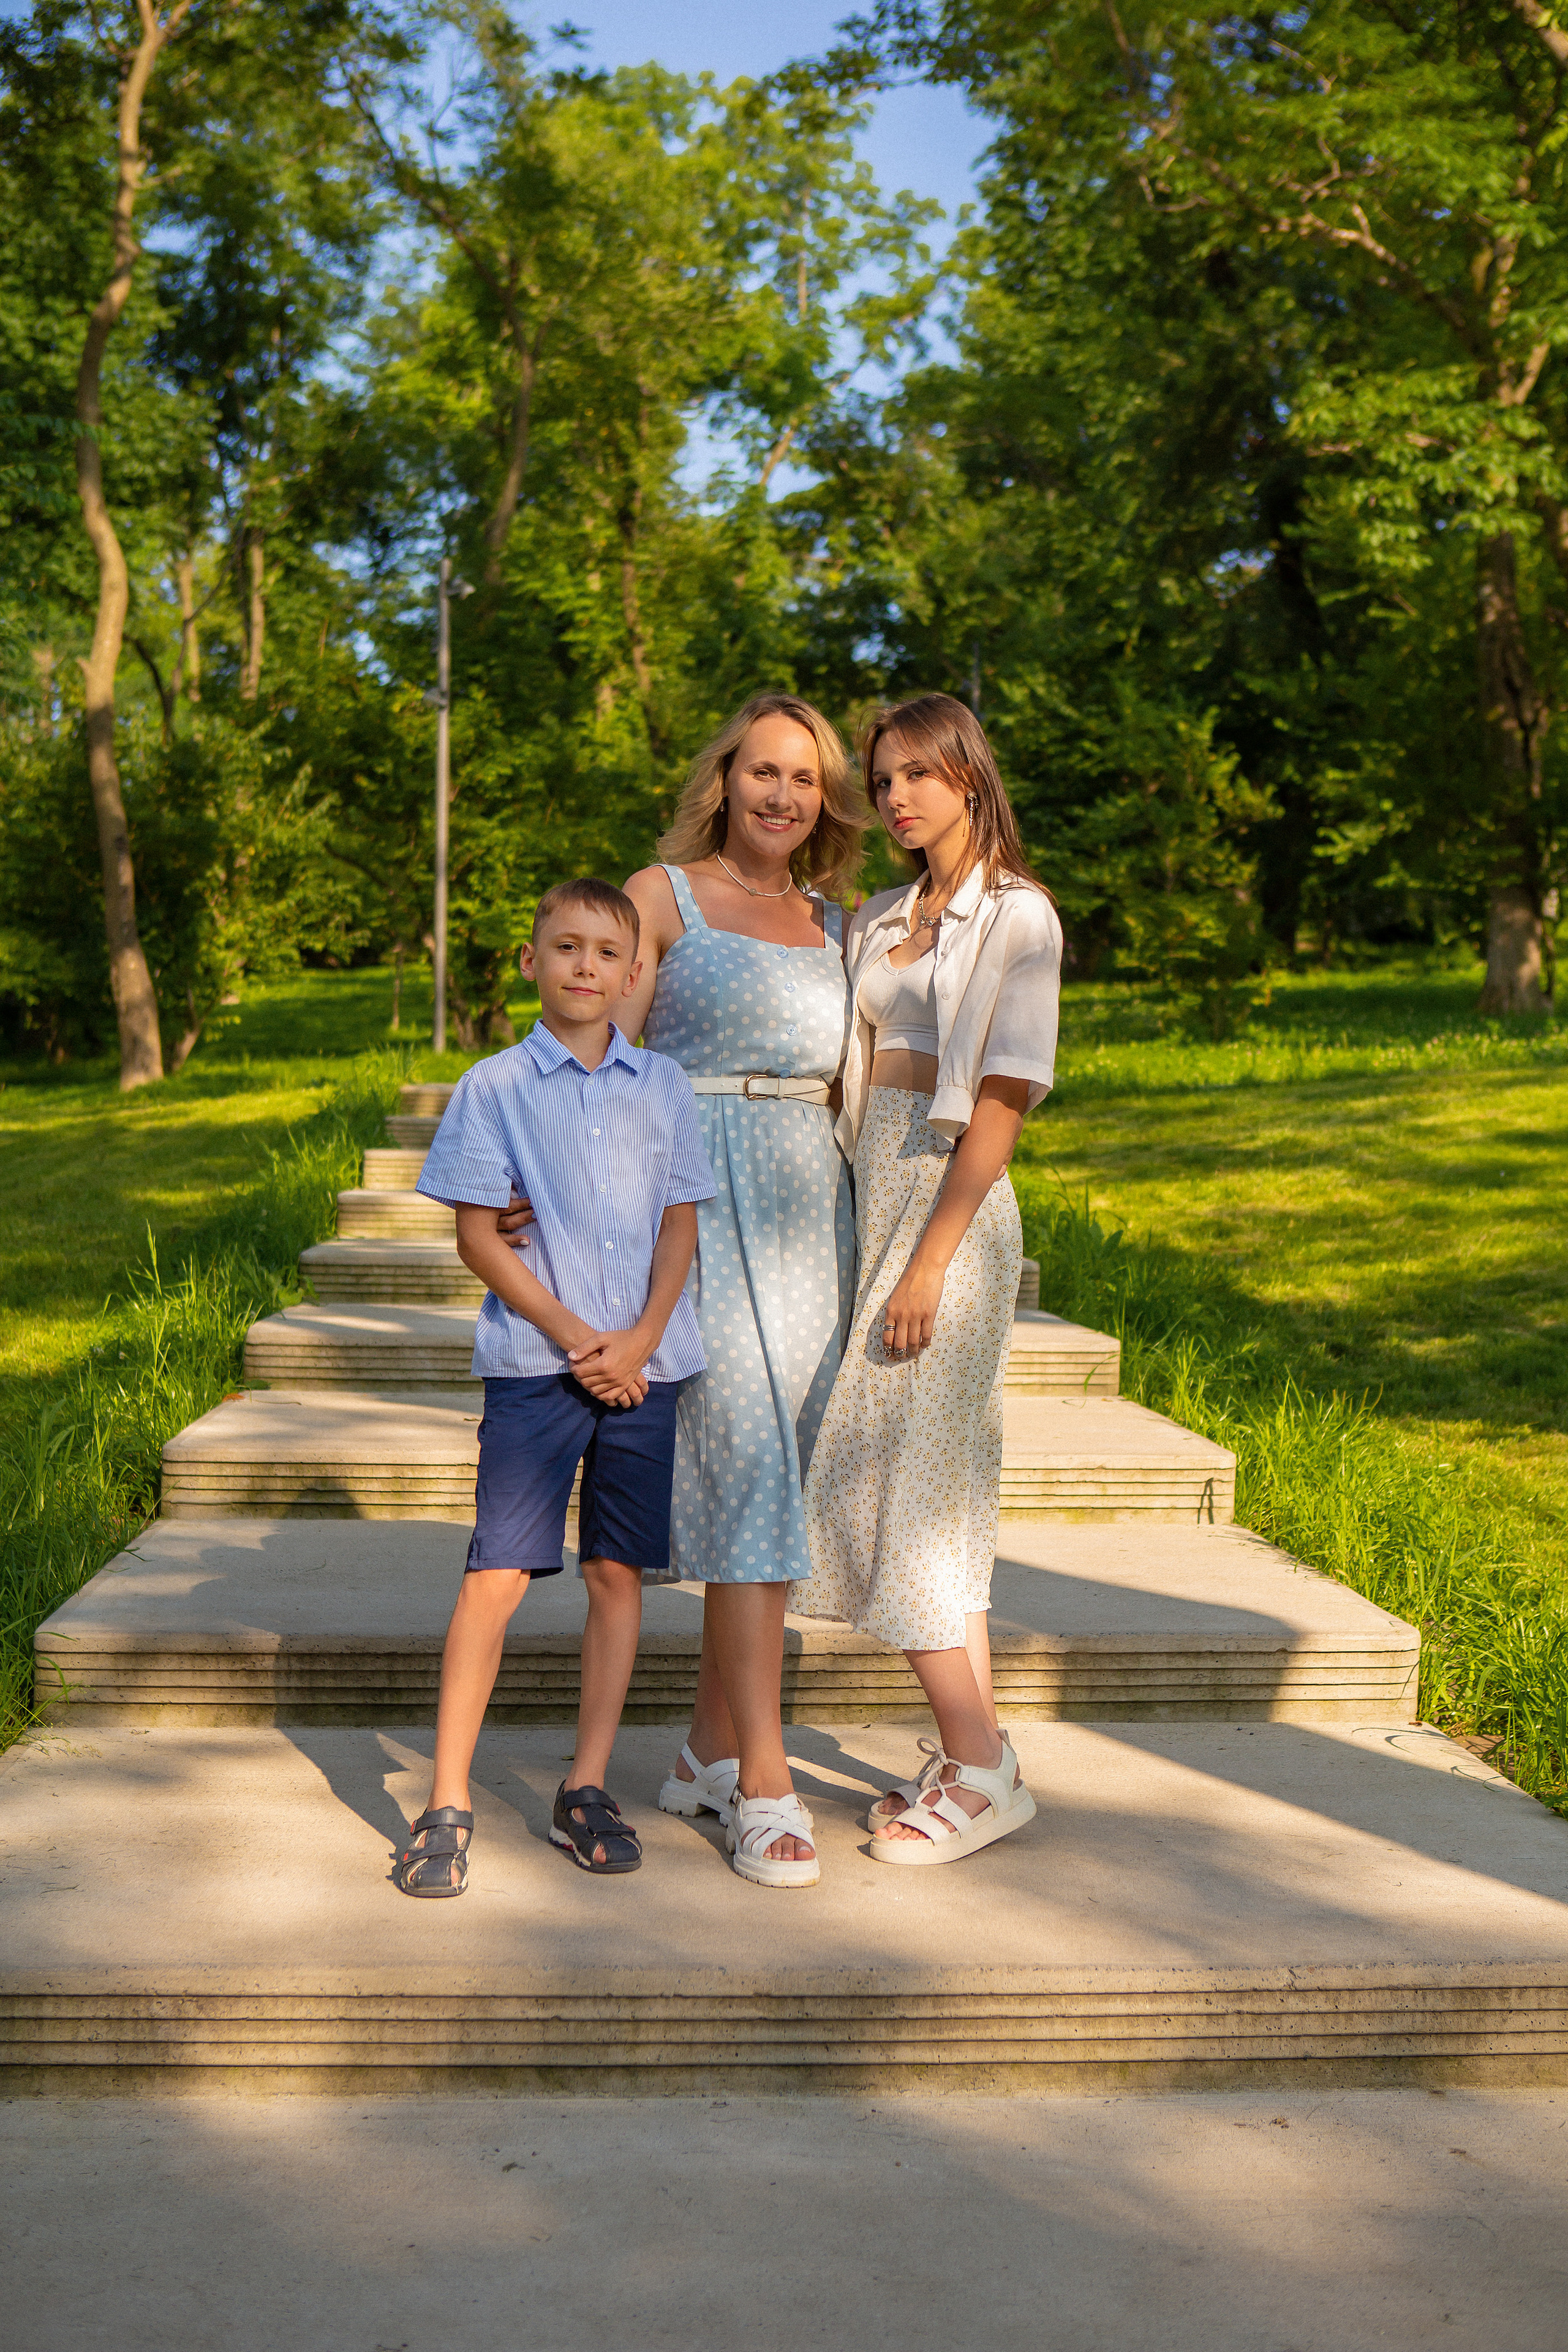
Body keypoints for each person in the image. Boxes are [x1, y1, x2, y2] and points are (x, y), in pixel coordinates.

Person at [391, 876, 716, 1894]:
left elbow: (680, 1225)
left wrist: (641, 1341)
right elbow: (478, 1237)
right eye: (566, 947)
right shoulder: (494, 1087)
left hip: (646, 1370)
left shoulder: (663, 1086)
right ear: (531, 962)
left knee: (617, 1575)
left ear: (634, 973)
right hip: (539, 1370)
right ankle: (446, 1800)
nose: (586, 966)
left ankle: (586, 1787)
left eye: (607, 952)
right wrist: (583, 1341)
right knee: (496, 1573)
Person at [792, 693, 1061, 1866]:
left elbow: (1001, 1102)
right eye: (883, 779)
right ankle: (975, 1759)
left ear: (967, 774)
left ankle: (981, 1764)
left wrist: (931, 1260)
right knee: (938, 1494)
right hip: (875, 1195)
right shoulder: (883, 917)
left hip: (951, 1207)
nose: (895, 796)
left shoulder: (1020, 916)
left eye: (917, 774)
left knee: (893, 1488)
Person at [616, 693, 868, 1888]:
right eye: (764, 771)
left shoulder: (837, 924)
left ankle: (704, 1752)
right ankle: (764, 1785)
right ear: (723, 780)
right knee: (747, 1477)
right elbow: (598, 1054)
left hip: (813, 1217)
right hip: (696, 1212)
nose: (782, 794)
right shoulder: (659, 896)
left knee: (782, 1478)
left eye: (805, 779)